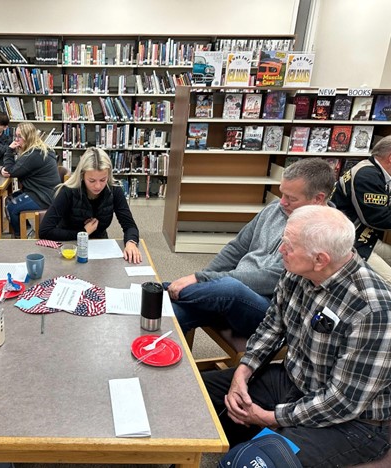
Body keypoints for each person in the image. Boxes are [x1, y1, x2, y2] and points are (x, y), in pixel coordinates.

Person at [203, 205, 391, 467]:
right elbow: (272, 327)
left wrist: (270, 417)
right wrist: (242, 373)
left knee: (247, 462)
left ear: (320, 259)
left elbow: (343, 401)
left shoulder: (373, 310)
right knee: (195, 394)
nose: (280, 250)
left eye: (289, 246)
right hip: (293, 381)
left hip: (351, 422)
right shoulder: (297, 271)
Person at [163, 158, 335, 338]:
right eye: (282, 194)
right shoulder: (275, 209)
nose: (282, 202)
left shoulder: (325, 234)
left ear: (318, 199)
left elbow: (270, 279)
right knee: (173, 314)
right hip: (227, 296)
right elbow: (237, 248)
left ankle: (161, 289)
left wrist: (202, 279)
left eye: (291, 198)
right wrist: (206, 281)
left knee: (231, 288)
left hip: (269, 311)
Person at [39, 147, 142, 263]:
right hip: (69, 246)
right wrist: (83, 232)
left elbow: (129, 225)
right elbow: (45, 231)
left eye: (103, 180)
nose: (98, 186)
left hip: (100, 247)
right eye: (92, 181)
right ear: (82, 175)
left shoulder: (114, 190)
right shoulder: (68, 191)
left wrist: (131, 242)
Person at [331, 135, 391, 282]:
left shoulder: (375, 171)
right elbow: (377, 219)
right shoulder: (367, 176)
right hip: (350, 242)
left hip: (366, 238)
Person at [1, 122, 60, 236]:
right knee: (9, 199)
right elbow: (15, 168)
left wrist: (9, 151)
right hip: (42, 191)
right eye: (16, 136)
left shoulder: (33, 154)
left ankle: (21, 237)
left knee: (12, 207)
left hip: (44, 196)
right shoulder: (37, 149)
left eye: (19, 137)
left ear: (28, 138)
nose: (16, 140)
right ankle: (26, 229)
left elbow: (10, 170)